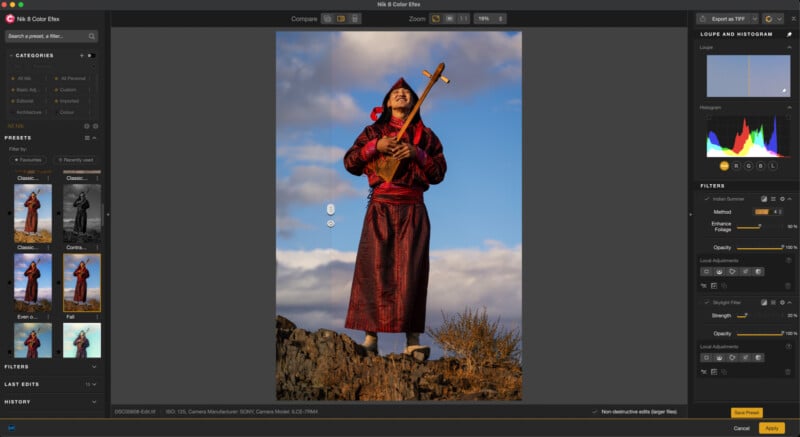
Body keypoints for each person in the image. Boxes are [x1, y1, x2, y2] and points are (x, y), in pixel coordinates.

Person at [343, 77, 446, 359]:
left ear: (413, 101)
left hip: (413, 207)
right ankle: (369, 340)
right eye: (395, 93)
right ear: (387, 102)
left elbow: (438, 174)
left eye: (406, 93)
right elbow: (350, 162)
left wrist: (417, 153)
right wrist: (376, 146)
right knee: (373, 270)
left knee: (411, 272)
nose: (401, 95)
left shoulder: (426, 136)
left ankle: (412, 341)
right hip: (381, 207)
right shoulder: (373, 131)